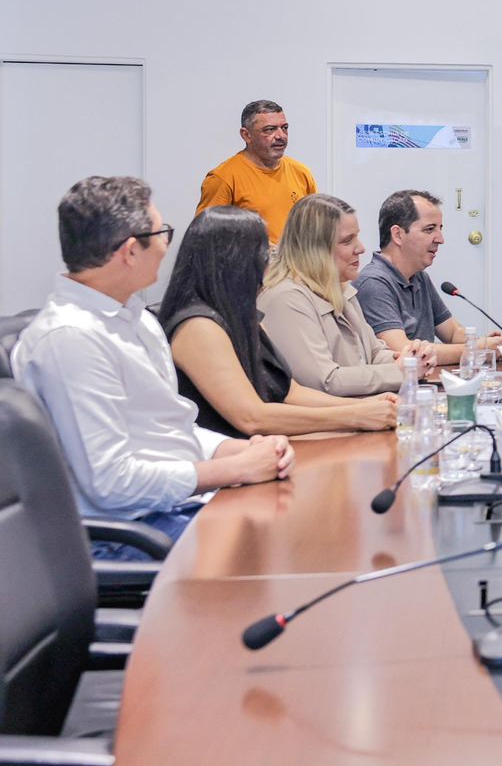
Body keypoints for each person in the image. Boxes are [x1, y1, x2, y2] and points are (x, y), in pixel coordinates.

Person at [10, 176, 293, 556]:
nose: (166, 246)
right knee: (288, 543)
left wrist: (240, 451)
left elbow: (171, 430)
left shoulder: (137, 320)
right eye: (163, 233)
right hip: (131, 531)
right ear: (130, 251)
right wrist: (236, 469)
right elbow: (111, 483)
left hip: (175, 507)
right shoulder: (69, 339)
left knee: (301, 517)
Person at [158, 206, 399, 437]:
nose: (271, 262)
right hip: (232, 458)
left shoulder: (241, 317)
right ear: (235, 262)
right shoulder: (198, 326)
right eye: (267, 253)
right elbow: (251, 417)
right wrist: (354, 416)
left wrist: (365, 406)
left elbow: (290, 392)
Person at [259, 194, 434, 396]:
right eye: (347, 241)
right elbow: (324, 381)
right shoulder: (286, 298)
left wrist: (411, 360)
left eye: (356, 237)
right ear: (315, 249)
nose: (360, 248)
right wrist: (399, 372)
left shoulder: (340, 288)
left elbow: (374, 353)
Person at [354, 189, 502, 366]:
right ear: (398, 235)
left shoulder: (419, 277)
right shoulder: (373, 283)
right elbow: (405, 352)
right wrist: (477, 349)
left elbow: (452, 333)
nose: (440, 239)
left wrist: (486, 343)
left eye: (440, 229)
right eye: (430, 229)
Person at [195, 99, 317, 245]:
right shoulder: (223, 178)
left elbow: (315, 226)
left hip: (295, 260)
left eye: (284, 128)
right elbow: (206, 239)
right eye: (270, 130)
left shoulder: (301, 172)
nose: (281, 136)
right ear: (246, 135)